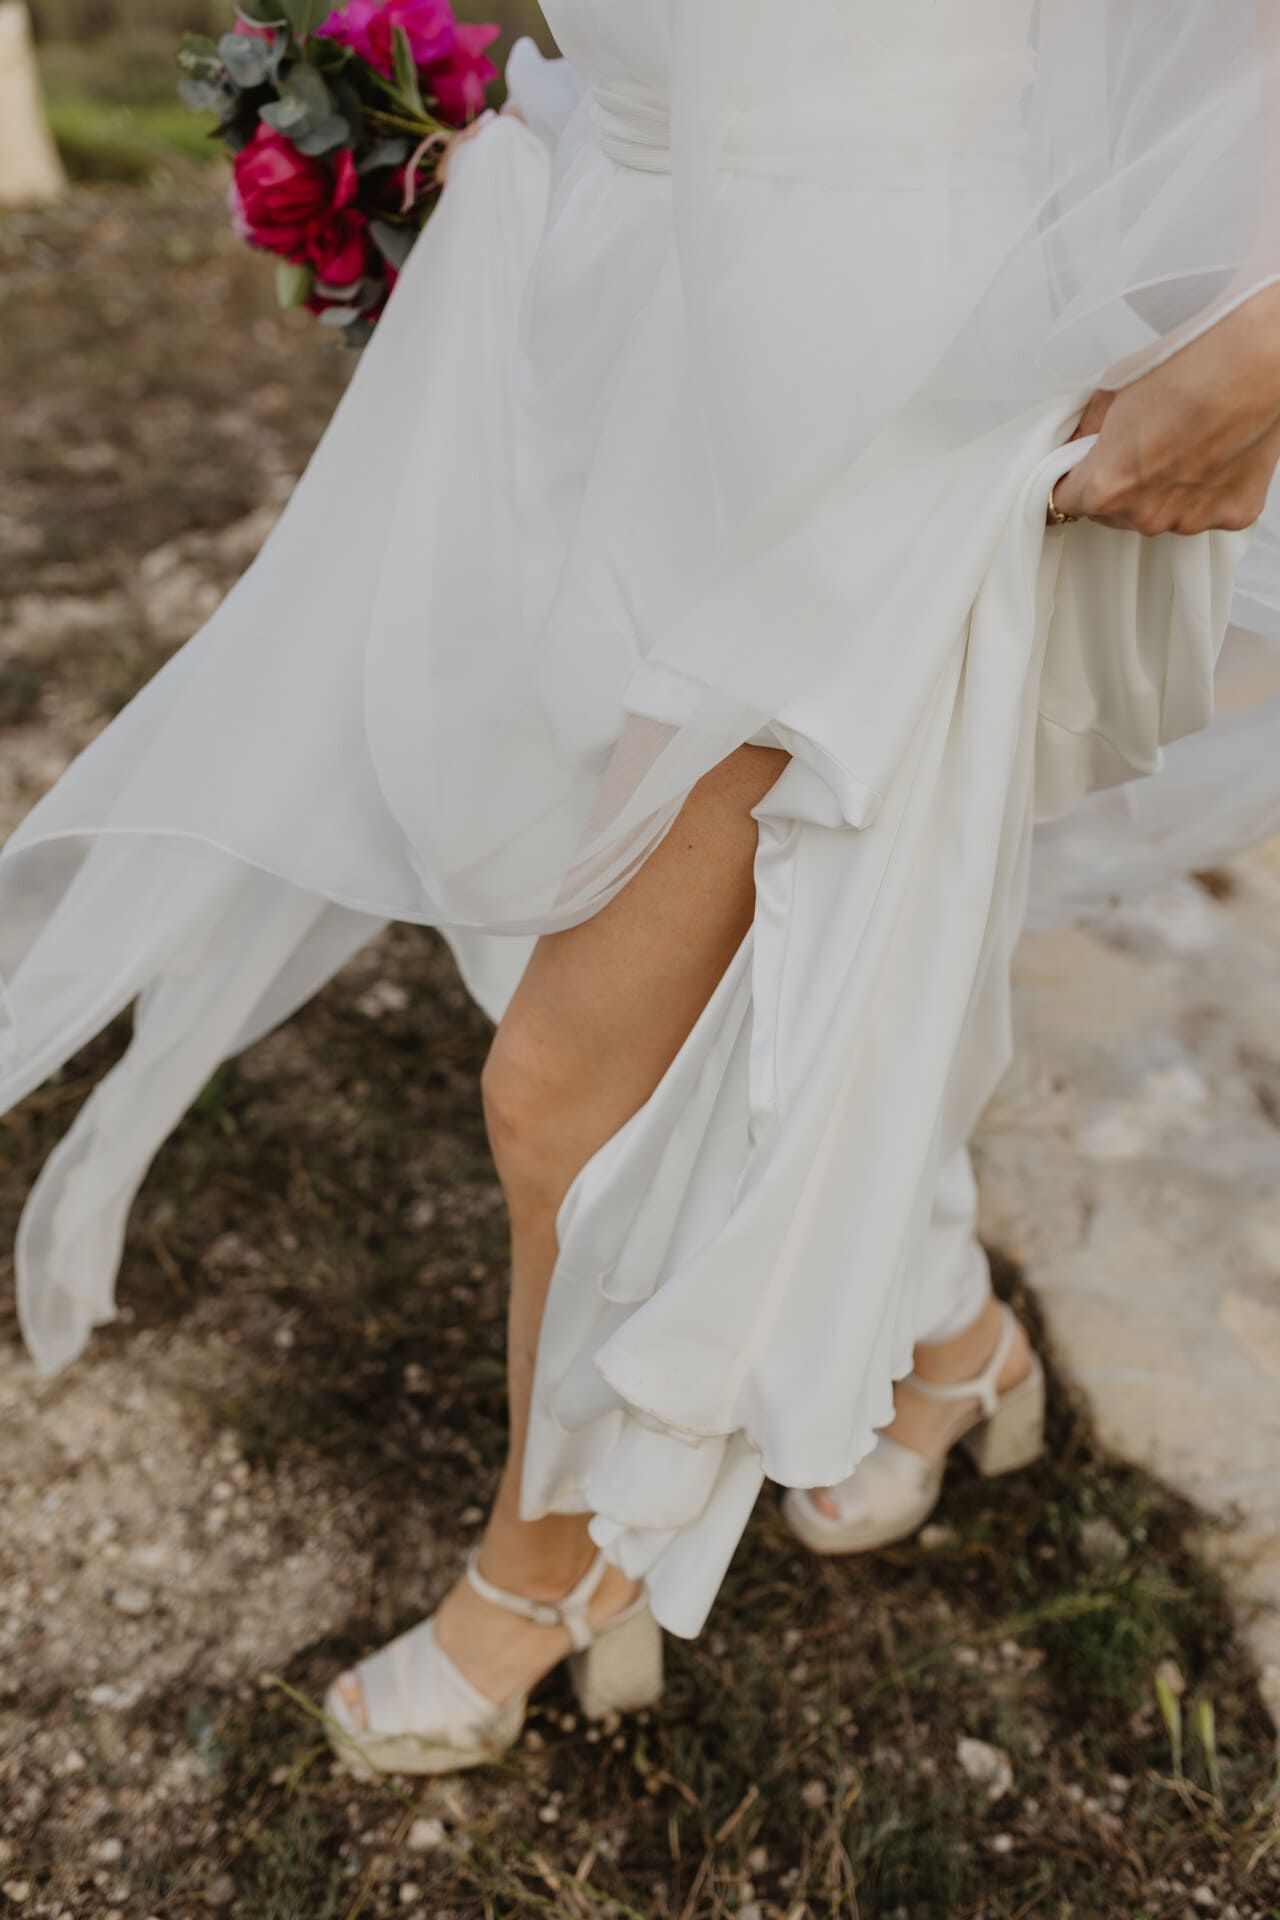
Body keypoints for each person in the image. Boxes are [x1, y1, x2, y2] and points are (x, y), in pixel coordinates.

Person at [3, 0, 1280, 1779]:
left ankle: (556, 1564)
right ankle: (957, 1345)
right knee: (708, 937)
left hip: (875, 342)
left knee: (573, 1084)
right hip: (632, 266)